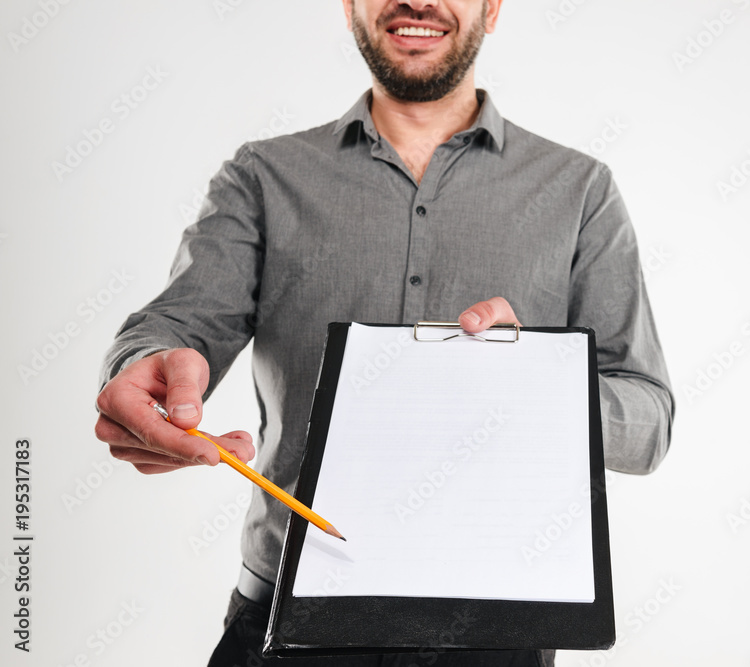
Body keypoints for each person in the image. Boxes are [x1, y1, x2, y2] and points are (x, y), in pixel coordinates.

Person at [94, 0, 675, 664]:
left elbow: (648, 422)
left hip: (494, 639)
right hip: (285, 630)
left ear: (492, 6)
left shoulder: (580, 190)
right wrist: (146, 366)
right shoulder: (262, 176)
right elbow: (174, 326)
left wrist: (533, 387)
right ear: (348, 7)